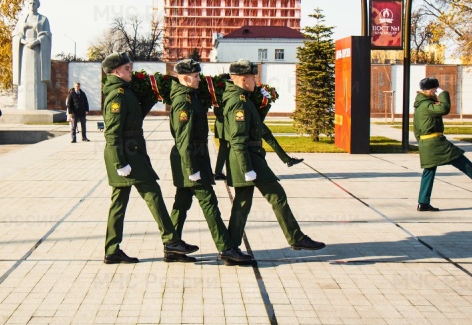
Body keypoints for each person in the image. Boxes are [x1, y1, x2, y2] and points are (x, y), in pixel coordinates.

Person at [100, 51, 197, 264]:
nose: (130, 71)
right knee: (152, 194)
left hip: (131, 152)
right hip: (127, 155)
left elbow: (134, 118)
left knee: (119, 202)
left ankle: (112, 249)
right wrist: (120, 163)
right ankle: (171, 241)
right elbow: (112, 132)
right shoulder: (117, 95)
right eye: (126, 68)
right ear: (116, 71)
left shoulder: (125, 91)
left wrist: (152, 98)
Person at [223, 59, 326, 252]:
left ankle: (230, 246)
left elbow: (256, 124)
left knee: (242, 203)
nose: (255, 81)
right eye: (253, 78)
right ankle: (296, 237)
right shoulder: (239, 102)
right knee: (277, 195)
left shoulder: (242, 97)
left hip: (246, 157)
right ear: (244, 79)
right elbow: (238, 139)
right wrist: (247, 169)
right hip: (248, 158)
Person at [169, 59, 254, 265]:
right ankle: (225, 248)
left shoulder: (191, 95)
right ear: (186, 78)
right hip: (190, 159)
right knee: (209, 203)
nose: (200, 79)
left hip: (194, 156)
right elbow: (183, 139)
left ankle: (171, 246)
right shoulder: (183, 101)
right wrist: (191, 168)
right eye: (196, 76)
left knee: (182, 202)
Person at [414, 77, 472, 211]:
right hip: (434, 142)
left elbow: (416, 127)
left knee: (430, 171)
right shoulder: (426, 105)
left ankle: (423, 202)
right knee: (458, 158)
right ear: (430, 90)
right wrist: (443, 93)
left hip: (428, 142)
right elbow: (444, 108)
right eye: (435, 89)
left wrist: (421, 142)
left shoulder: (421, 104)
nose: (436, 92)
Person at [12, 0, 52, 110]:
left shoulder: (43, 19)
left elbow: (47, 35)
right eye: (30, 3)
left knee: (36, 77)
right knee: (24, 75)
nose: (32, 5)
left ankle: (38, 106)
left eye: (34, 3)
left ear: (37, 5)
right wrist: (23, 41)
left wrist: (36, 41)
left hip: (38, 50)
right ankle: (23, 106)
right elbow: (16, 34)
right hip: (25, 50)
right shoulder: (22, 19)